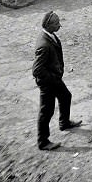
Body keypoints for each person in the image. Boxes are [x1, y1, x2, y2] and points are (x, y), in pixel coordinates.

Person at [32, 11, 82, 151]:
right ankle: (42, 142)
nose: (60, 25)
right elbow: (37, 70)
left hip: (54, 78)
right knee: (46, 111)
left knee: (66, 96)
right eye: (56, 23)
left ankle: (64, 123)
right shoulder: (44, 45)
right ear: (48, 25)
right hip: (48, 83)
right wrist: (52, 79)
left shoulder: (49, 36)